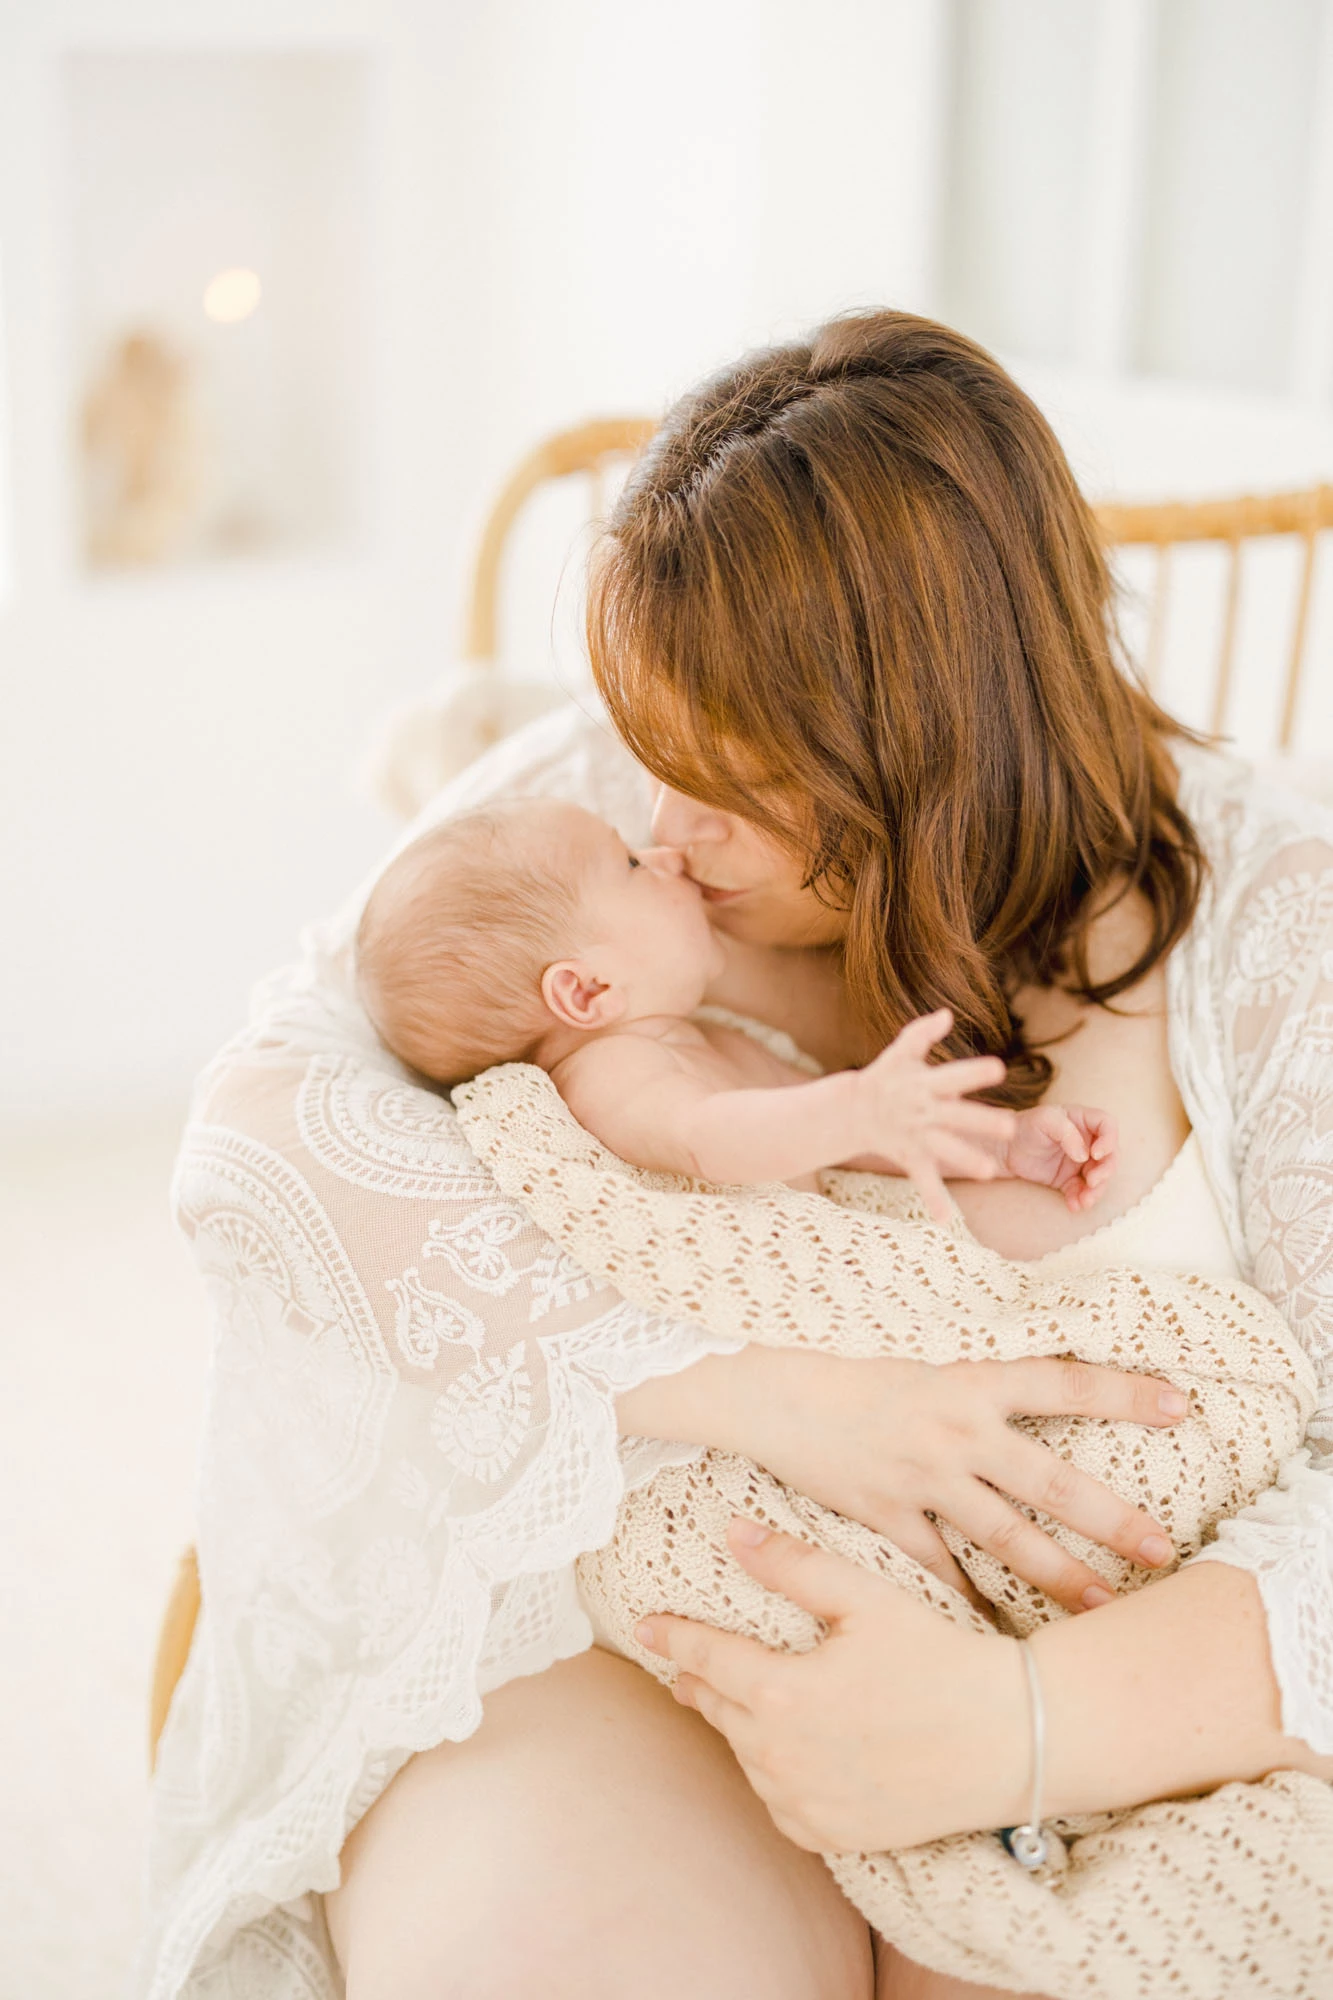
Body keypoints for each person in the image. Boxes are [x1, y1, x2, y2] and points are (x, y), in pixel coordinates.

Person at [143, 310, 1333, 2000]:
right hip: (665, 1623)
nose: (661, 826)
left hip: (1112, 1714)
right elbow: (265, 1137)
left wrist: (1012, 1724)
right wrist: (763, 1390)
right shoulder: (605, 812)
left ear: (927, 746)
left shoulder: (1275, 930)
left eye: (727, 784)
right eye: (649, 751)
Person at [354, 796, 1118, 1214]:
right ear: (586, 991)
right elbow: (711, 1140)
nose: (663, 852)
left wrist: (1003, 1147)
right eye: (630, 864)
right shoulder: (608, 1077)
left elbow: (837, 1137)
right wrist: (855, 1107)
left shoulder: (698, 1039)